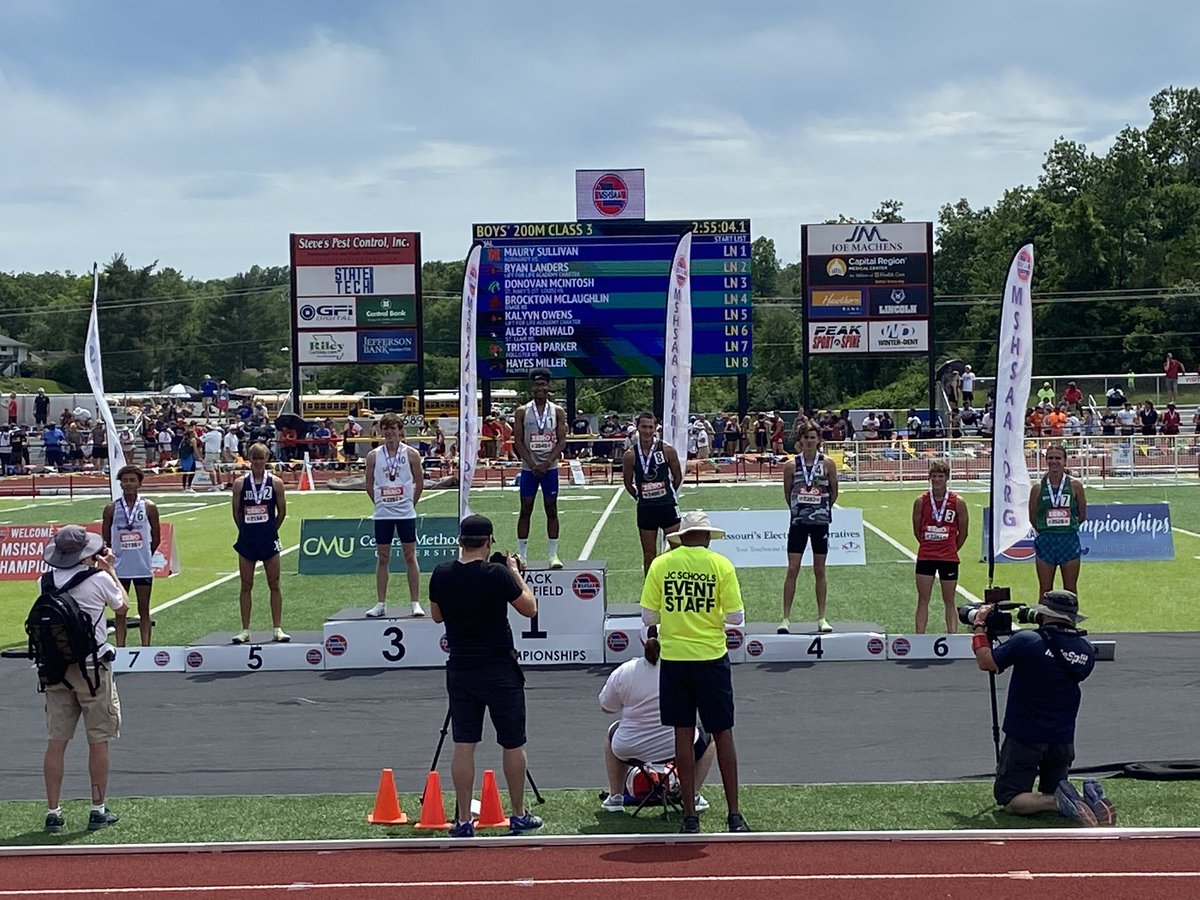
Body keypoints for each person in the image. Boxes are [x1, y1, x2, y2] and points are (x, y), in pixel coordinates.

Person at [429, 514, 543, 838]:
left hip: (461, 666)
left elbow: (437, 617)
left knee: (464, 744)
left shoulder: (442, 574)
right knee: (513, 742)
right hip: (498, 667)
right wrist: (516, 574)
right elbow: (530, 608)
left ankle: (464, 819)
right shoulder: (496, 574)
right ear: (489, 541)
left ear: (460, 542)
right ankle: (518, 813)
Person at [641, 510, 748, 834]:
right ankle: (734, 814)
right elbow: (736, 618)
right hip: (711, 657)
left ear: (682, 537)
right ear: (707, 537)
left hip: (675, 659)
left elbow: (648, 617)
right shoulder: (721, 565)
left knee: (682, 736)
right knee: (723, 733)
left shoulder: (662, 565)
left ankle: (689, 815)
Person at [970, 590, 1113, 827]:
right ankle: (1083, 796)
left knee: (1011, 799)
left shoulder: (1028, 641)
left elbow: (986, 661)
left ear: (1046, 613)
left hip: (1025, 735)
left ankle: (1063, 802)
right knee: (1053, 785)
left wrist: (979, 627)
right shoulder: (1086, 652)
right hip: (1062, 737)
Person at [38, 525, 128, 833]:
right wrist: (111, 569)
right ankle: (97, 808)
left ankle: (53, 812)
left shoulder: (45, 581)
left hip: (56, 670)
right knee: (98, 739)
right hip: (92, 668)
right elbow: (122, 606)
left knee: (56, 742)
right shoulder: (99, 579)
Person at [599, 624, 716, 813]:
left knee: (613, 731)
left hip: (629, 746)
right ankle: (692, 795)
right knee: (709, 738)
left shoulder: (625, 671)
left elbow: (606, 706)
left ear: (642, 642)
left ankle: (615, 797)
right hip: (676, 745)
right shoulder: (684, 669)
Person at [363, 411, 424, 618]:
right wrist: (379, 503)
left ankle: (415, 602)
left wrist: (410, 503)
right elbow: (369, 484)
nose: (389, 433)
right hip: (383, 514)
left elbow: (420, 482)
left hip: (406, 513)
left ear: (400, 431)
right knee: (383, 557)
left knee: (410, 556)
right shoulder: (373, 456)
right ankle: (380, 603)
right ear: (382, 431)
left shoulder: (411, 454)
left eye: (393, 429)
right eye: (386, 429)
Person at [780, 424, 838, 635]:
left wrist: (821, 509)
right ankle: (786, 618)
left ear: (818, 440)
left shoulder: (828, 464)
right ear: (801, 440)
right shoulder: (790, 465)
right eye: (806, 438)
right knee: (793, 568)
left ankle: (822, 617)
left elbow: (834, 491)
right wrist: (799, 510)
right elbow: (787, 493)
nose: (809, 441)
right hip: (798, 523)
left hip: (820, 523)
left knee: (819, 569)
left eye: (813, 437)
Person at [230, 442, 289, 643]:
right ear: (249, 460)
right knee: (246, 585)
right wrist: (246, 530)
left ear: (266, 460)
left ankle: (277, 628)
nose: (257, 462)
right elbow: (236, 513)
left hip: (269, 539)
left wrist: (271, 529)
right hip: (247, 540)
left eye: (261, 458)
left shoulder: (276, 483)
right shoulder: (239, 484)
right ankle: (245, 630)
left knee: (274, 584)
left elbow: (282, 512)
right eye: (254, 458)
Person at [513, 369, 568, 568]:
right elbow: (518, 441)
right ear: (532, 387)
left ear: (548, 387)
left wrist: (546, 463)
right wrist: (532, 463)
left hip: (549, 468)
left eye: (543, 385)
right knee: (525, 508)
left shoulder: (557, 411)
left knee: (551, 508)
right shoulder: (522, 411)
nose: (540, 388)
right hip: (529, 468)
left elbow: (562, 441)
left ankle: (553, 555)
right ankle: (522, 554)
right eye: (537, 385)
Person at [102, 465, 161, 647]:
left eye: (132, 480)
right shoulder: (111, 508)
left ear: (139, 483)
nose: (128, 484)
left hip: (142, 567)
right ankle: (120, 649)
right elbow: (106, 538)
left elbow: (156, 537)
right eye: (125, 481)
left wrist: (144, 554)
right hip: (120, 568)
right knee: (120, 611)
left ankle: (146, 648)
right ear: (120, 484)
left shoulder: (149, 507)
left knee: (144, 609)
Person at [622, 412, 683, 574]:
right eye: (644, 427)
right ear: (637, 428)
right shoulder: (630, 455)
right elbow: (628, 483)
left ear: (655, 428)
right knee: (649, 554)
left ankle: (678, 585)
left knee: (678, 550)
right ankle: (650, 593)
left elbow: (678, 477)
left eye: (651, 427)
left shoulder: (667, 450)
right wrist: (640, 497)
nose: (648, 431)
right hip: (646, 509)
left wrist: (668, 495)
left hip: (668, 506)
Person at [912, 461, 969, 634]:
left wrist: (950, 548)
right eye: (934, 476)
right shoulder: (920, 501)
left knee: (949, 600)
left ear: (947, 478)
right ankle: (919, 637)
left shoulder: (958, 502)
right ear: (929, 478)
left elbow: (964, 532)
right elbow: (917, 531)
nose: (937, 480)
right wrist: (929, 544)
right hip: (926, 556)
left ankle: (952, 636)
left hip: (949, 558)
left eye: (941, 476)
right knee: (923, 599)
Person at [1029, 444, 1087, 598]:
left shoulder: (1075, 486)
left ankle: (1069, 622)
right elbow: (1033, 517)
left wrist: (1065, 526)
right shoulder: (1037, 488)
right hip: (1046, 540)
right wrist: (1047, 528)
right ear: (1046, 460)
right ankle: (1044, 621)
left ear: (1065, 461)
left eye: (1058, 458)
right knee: (1045, 589)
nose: (1054, 461)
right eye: (1050, 458)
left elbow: (1081, 515)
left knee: (1070, 589)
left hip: (1068, 540)